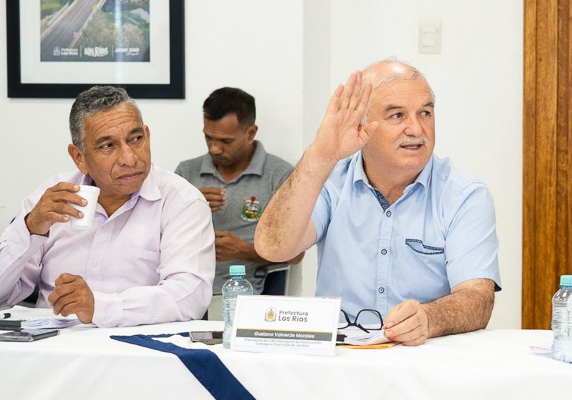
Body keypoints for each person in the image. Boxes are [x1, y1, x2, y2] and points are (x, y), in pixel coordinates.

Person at [254, 60, 501, 346]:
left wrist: (429, 318)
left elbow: (477, 298)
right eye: (397, 115)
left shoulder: (464, 194)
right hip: (340, 355)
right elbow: (274, 247)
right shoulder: (330, 180)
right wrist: (320, 156)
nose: (416, 129)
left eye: (425, 112)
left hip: (423, 353)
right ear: (361, 125)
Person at [0, 86, 215, 327]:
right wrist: (30, 228)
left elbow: (190, 296)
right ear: (79, 157)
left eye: (136, 139)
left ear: (148, 136)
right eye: (107, 146)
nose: (129, 159)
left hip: (139, 345)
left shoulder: (182, 201)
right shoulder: (52, 199)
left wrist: (100, 307)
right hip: (53, 344)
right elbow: (3, 295)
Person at [176, 87, 303, 320]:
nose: (214, 148)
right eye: (208, 137)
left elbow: (296, 254)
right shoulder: (186, 172)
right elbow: (159, 240)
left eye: (226, 141)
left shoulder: (280, 176)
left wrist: (246, 251)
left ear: (250, 133)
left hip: (245, 298)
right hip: (184, 293)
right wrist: (190, 207)